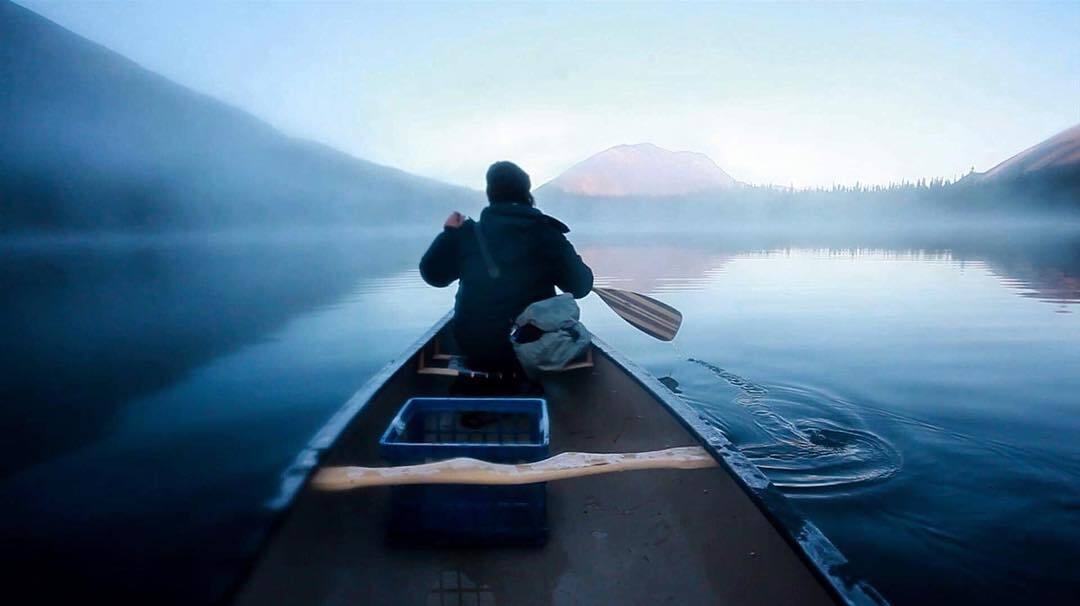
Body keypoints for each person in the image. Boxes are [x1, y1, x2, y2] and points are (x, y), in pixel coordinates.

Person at [419, 161, 593, 372]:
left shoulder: (466, 234)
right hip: (536, 348)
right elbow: (581, 287)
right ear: (526, 193)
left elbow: (434, 277)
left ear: (490, 194)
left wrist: (449, 234)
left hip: (476, 348)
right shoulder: (548, 233)